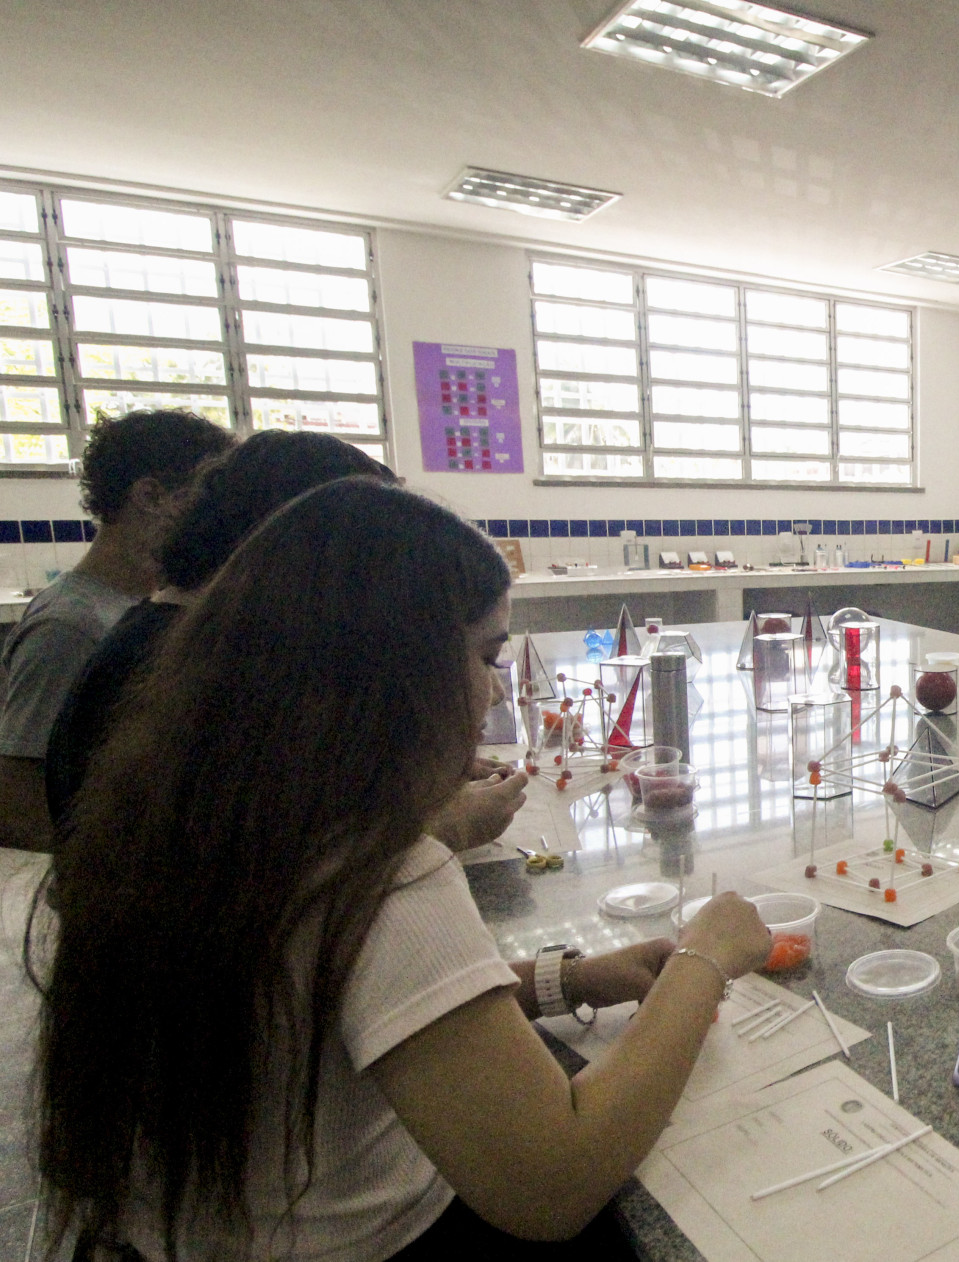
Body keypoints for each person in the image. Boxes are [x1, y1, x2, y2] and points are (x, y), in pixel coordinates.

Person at [31, 478, 773, 1260]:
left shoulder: (195, 812)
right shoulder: (374, 874)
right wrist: (704, 956)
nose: (492, 691)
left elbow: (349, 1006)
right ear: (387, 670)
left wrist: (568, 980)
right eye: (485, 655)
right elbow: (556, 1180)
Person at [41, 430, 525, 853]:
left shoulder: (210, 639)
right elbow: (258, 879)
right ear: (297, 541)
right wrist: (436, 828)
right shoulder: (179, 662)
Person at [0, 409, 232, 851]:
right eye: (207, 500)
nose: (218, 520)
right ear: (150, 495)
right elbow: (21, 804)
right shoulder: (69, 627)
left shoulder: (148, 606)